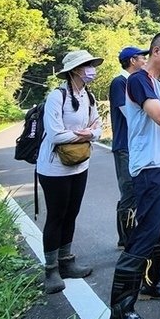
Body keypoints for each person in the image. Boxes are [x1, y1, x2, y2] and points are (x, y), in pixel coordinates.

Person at [107, 31, 160, 319]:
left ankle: (152, 283)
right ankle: (121, 311)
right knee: (144, 233)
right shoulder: (139, 80)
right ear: (156, 51)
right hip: (150, 166)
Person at [37, 50, 103, 294]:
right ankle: (51, 269)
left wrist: (90, 132)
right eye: (87, 65)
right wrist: (85, 133)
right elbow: (55, 134)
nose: (91, 69)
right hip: (54, 167)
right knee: (57, 215)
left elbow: (99, 128)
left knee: (72, 213)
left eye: (91, 65)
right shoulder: (57, 96)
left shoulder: (88, 96)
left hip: (79, 164)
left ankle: (66, 261)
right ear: (75, 70)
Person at [109, 45, 147, 248]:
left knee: (135, 190)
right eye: (142, 58)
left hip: (134, 146)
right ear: (132, 60)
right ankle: (126, 238)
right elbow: (130, 114)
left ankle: (129, 236)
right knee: (129, 191)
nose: (145, 61)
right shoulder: (120, 82)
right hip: (124, 146)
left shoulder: (132, 81)